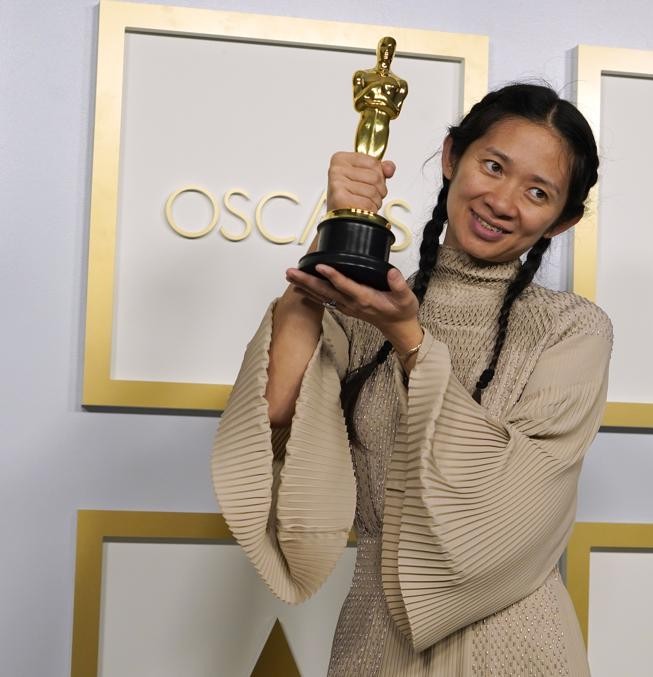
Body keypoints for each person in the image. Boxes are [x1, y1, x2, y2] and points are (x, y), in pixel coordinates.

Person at [211, 83, 611, 676]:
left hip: (519, 644)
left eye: (537, 191)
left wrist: (409, 339)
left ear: (562, 220)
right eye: (492, 166)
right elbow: (273, 417)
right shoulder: (366, 307)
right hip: (376, 637)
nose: (502, 201)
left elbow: (511, 503)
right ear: (452, 158)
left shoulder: (572, 330)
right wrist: (333, 239)